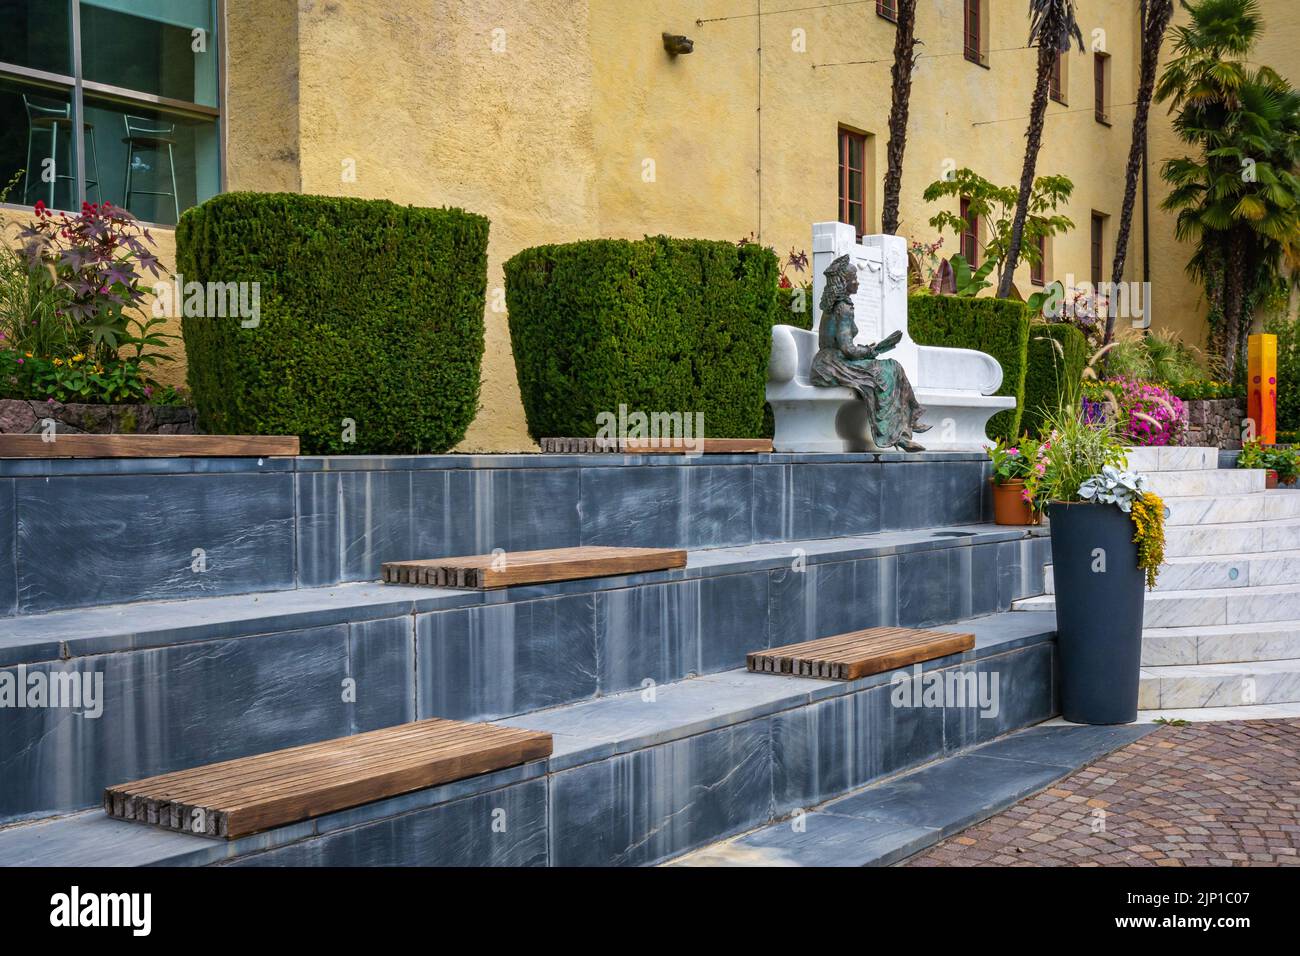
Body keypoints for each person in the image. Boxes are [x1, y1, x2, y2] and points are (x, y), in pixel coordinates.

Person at [811, 253, 929, 452]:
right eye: (854, 279)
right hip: (833, 365)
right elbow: (847, 348)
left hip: (828, 361)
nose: (857, 283)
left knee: (892, 368)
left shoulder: (836, 305)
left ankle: (910, 419)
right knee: (888, 371)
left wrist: (869, 350)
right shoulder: (843, 308)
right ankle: (899, 434)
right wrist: (871, 351)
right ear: (843, 282)